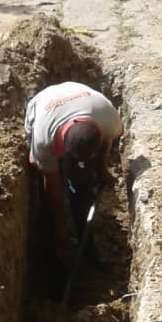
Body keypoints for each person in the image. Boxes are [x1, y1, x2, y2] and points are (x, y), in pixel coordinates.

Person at [24, 81, 123, 281]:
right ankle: (51, 245)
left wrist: (102, 170)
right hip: (44, 105)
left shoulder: (110, 120)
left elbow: (107, 142)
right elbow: (50, 181)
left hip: (86, 99)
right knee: (49, 196)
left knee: (82, 191)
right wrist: (59, 227)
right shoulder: (43, 137)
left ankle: (88, 249)